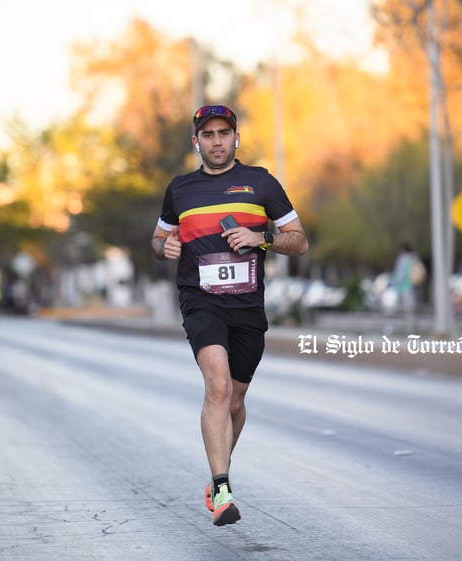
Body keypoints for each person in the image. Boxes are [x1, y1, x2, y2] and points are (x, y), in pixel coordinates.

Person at [151, 104, 309, 526]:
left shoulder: (261, 183)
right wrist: (163, 247)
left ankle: (217, 472)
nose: (216, 141)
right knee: (217, 387)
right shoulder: (180, 189)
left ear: (235, 138)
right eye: (208, 134)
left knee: (235, 400)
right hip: (200, 299)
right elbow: (159, 236)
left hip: (247, 306)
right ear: (196, 141)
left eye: (223, 133)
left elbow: (299, 240)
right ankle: (222, 489)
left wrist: (264, 238)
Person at [392, 242, 421, 322]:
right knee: (411, 305)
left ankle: (410, 321)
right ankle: (411, 320)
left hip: (405, 285)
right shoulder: (415, 258)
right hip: (413, 284)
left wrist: (396, 282)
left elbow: (400, 274)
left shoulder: (403, 259)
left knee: (407, 306)